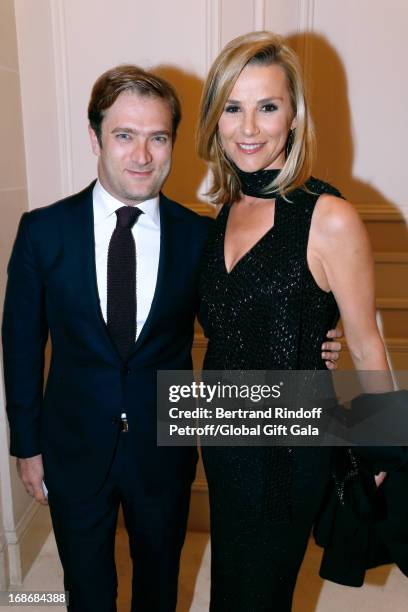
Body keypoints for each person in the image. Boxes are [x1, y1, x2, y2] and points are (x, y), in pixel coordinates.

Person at [2, 63, 341, 611]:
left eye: (157, 137)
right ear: (96, 137)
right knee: (86, 590)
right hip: (72, 447)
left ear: (174, 142)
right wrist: (26, 446)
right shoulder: (43, 232)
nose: (142, 156)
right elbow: (19, 347)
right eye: (124, 136)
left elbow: (242, 325)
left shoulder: (201, 237)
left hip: (166, 446)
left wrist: (315, 341)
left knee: (159, 586)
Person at [197, 31, 390, 610]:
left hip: (288, 444)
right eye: (233, 107)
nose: (248, 128)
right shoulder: (223, 207)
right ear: (215, 117)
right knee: (232, 582)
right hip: (221, 429)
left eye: (267, 106)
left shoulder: (327, 216)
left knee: (258, 592)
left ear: (294, 116)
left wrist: (382, 452)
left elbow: (365, 344)